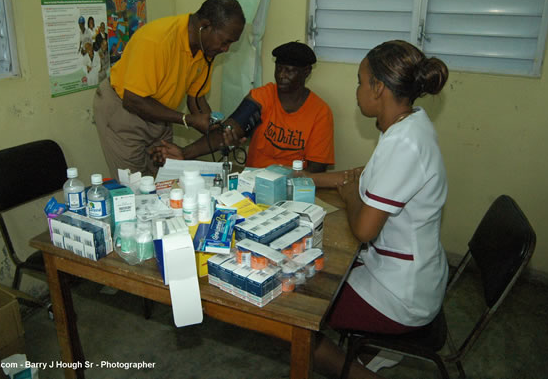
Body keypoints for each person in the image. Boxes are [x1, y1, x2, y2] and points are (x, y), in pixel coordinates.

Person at [313, 40, 449, 379]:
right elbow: (360, 178)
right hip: (405, 271)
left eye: (360, 82)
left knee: (300, 315)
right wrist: (307, 178)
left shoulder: (403, 143)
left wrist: (347, 196)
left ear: (379, 88)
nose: (357, 91)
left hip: (402, 295)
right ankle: (369, 349)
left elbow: (364, 229)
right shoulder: (409, 124)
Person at [93, 0, 245, 178]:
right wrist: (187, 120)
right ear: (205, 26)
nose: (226, 49)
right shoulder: (157, 40)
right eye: (225, 41)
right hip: (124, 112)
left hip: (160, 113)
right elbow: (133, 100)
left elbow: (196, 98)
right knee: (134, 185)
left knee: (165, 178)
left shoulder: (206, 48)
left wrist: (215, 129)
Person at [150, 41, 334, 173]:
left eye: (290, 70)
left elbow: (317, 169)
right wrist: (184, 153)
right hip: (255, 181)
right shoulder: (262, 96)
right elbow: (227, 131)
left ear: (306, 72)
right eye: (279, 68)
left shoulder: (320, 112)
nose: (282, 76)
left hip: (294, 186)